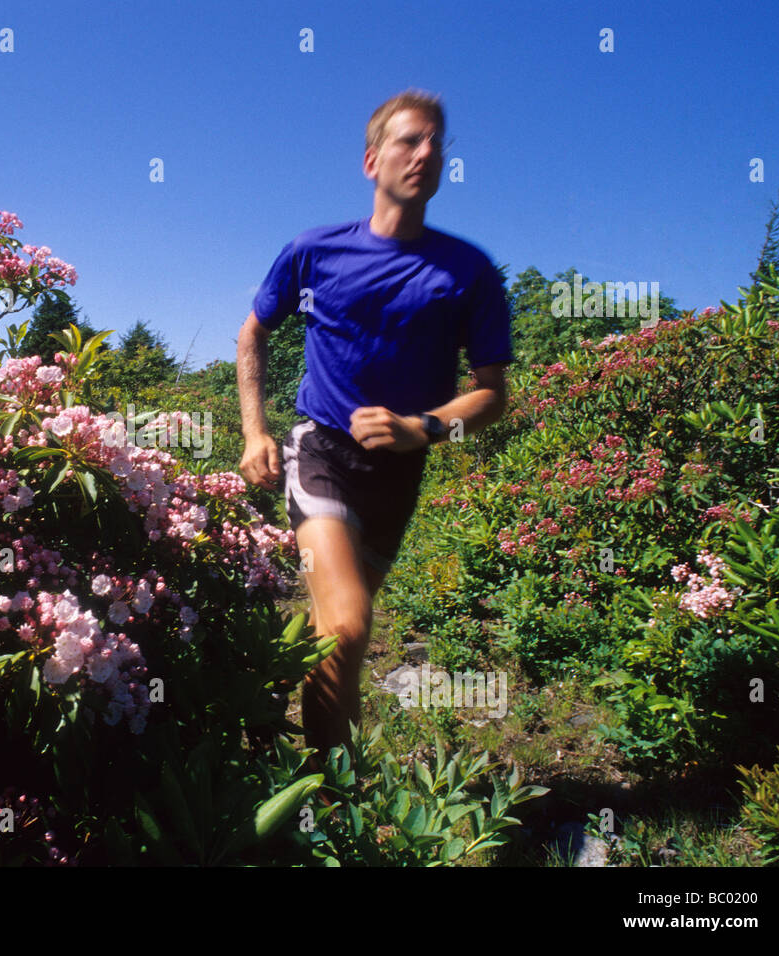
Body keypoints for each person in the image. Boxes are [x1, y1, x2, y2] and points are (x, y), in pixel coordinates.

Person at [236, 89, 514, 763]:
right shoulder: (313, 252)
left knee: (337, 630)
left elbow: (493, 395)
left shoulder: (469, 272)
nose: (425, 154)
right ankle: (334, 809)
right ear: (371, 161)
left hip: (398, 474)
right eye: (409, 140)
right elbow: (253, 335)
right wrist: (255, 430)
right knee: (350, 627)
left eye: (436, 145)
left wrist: (425, 428)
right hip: (320, 450)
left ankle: (264, 692)